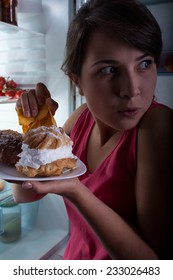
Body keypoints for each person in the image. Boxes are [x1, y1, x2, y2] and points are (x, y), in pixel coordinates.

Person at [12, 0, 173, 260]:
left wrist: (76, 191)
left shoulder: (157, 126)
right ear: (78, 83)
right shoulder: (80, 120)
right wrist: (35, 127)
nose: (132, 90)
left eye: (144, 64)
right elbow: (25, 193)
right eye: (109, 70)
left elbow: (158, 265)